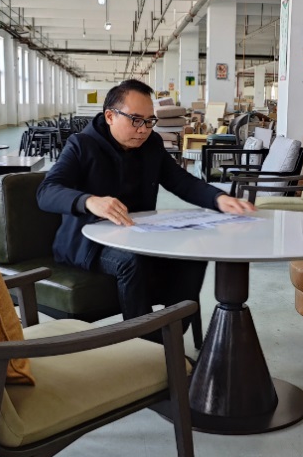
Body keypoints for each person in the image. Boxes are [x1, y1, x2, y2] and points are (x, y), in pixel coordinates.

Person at [37, 79, 255, 336]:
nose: (143, 129)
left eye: (150, 121)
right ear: (110, 116)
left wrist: (218, 198)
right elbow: (46, 191)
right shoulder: (81, 145)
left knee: (193, 255)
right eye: (135, 120)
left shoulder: (151, 144)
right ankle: (144, 344)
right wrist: (88, 201)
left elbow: (180, 181)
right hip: (89, 243)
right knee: (131, 262)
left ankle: (172, 335)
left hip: (139, 234)